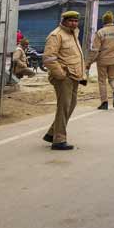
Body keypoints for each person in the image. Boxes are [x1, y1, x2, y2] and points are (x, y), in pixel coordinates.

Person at [42, 10, 87, 151]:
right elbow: (48, 59)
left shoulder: (74, 34)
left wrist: (82, 75)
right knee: (64, 107)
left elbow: (76, 56)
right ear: (64, 21)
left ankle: (51, 133)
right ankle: (59, 140)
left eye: (76, 21)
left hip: (74, 76)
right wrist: (61, 75)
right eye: (71, 21)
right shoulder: (56, 35)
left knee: (71, 105)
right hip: (64, 78)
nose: (74, 23)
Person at [88, 11, 114, 110]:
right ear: (113, 20)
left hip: (102, 60)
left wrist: (89, 62)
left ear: (103, 21)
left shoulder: (100, 32)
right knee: (113, 78)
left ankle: (104, 102)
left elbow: (95, 50)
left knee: (102, 81)